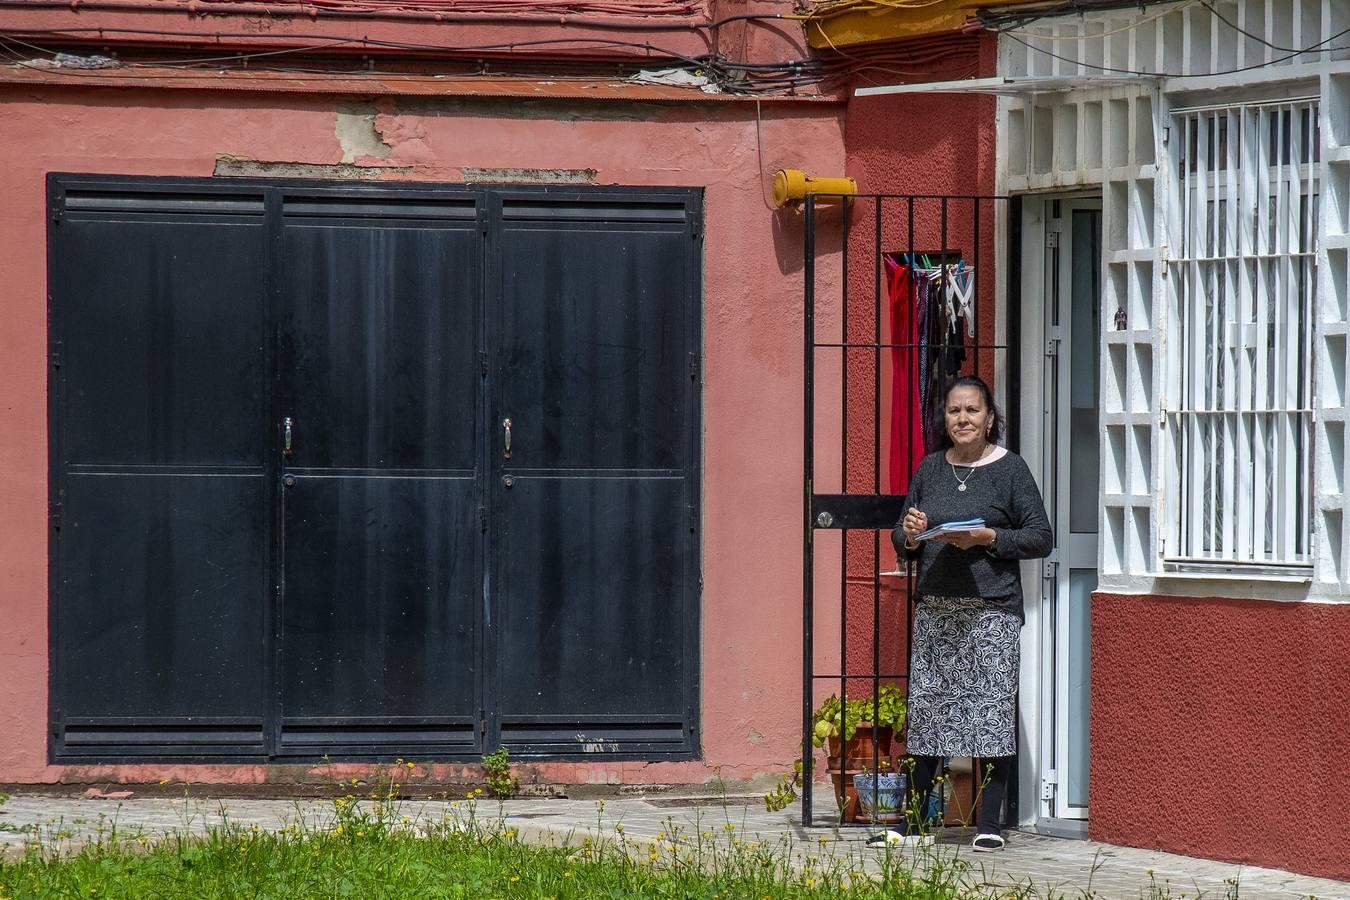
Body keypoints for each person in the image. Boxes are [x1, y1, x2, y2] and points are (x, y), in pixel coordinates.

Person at [868, 375, 1051, 852]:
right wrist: (910, 533)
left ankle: (988, 825)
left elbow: (1040, 537)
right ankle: (913, 824)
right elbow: (903, 539)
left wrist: (988, 538)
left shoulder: (1011, 470)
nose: (963, 419)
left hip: (992, 611)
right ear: (944, 419)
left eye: (972, 411)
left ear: (990, 419)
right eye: (954, 411)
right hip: (936, 608)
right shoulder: (930, 469)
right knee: (929, 716)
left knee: (989, 715)